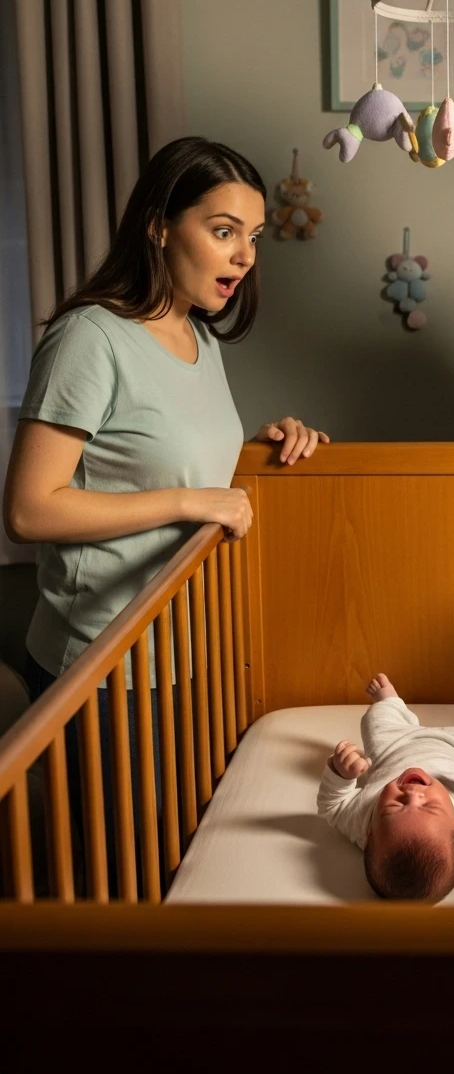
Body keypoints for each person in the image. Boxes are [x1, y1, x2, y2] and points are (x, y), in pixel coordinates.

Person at [3, 136, 329, 889]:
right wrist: (190, 500)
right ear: (157, 225)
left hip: (180, 651)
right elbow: (28, 508)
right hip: (101, 660)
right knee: (124, 879)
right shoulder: (88, 338)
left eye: (252, 237)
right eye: (222, 231)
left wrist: (262, 446)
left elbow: (159, 451)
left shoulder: (195, 335)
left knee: (176, 861)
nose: (244, 256)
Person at [317, 672, 454, 901]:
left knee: (375, 723)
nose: (412, 794)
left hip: (395, 745)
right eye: (430, 807)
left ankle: (389, 701)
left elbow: (331, 806)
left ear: (369, 835)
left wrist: (341, 773)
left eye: (395, 805)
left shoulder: (362, 821)